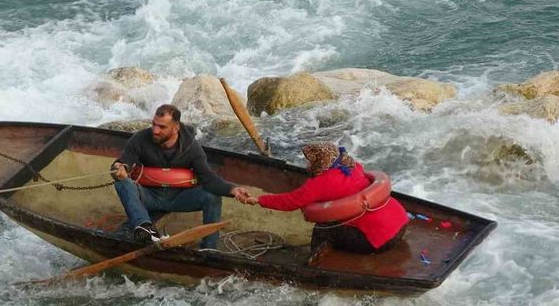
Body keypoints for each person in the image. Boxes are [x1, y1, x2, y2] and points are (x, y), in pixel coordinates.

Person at [112, 104, 251, 248]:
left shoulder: (192, 147)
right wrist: (119, 168)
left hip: (178, 198)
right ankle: (145, 228)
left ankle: (209, 248)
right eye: (154, 124)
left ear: (176, 128)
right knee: (123, 183)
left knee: (212, 197)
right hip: (149, 196)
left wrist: (233, 189)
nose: (155, 130)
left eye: (162, 127)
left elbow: (208, 179)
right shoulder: (140, 139)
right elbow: (123, 161)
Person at [244, 142, 408, 259]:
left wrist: (259, 200)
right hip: (401, 227)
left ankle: (315, 262)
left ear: (320, 162)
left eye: (310, 161)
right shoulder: (354, 166)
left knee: (322, 228)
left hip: (377, 241)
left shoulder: (319, 184)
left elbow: (290, 201)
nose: (307, 164)